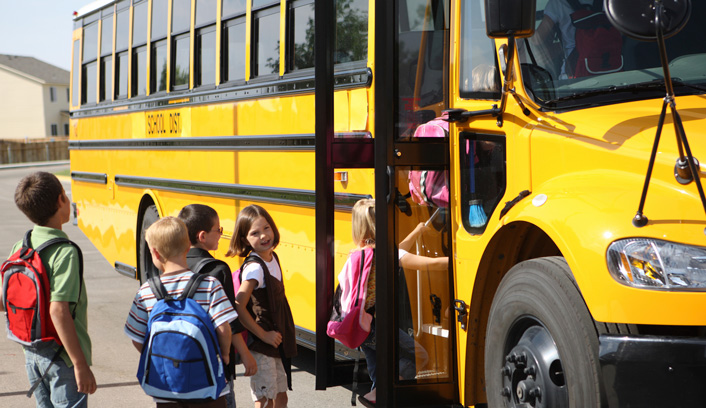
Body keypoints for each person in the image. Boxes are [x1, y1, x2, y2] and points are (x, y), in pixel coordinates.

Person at [343, 199, 447, 408]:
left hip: (360, 323)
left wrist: (417, 232)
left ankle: (377, 394)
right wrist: (459, 259)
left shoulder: (360, 253)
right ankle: (381, 392)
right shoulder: (387, 256)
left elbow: (398, 250)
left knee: (377, 369)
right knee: (420, 356)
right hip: (377, 325)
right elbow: (431, 264)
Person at [124, 216, 236, 408]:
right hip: (207, 386)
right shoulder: (210, 285)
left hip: (166, 387)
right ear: (187, 248)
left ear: (155, 254)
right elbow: (224, 329)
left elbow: (137, 337)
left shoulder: (146, 291)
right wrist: (224, 355)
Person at [6, 171, 97, 407]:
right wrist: (80, 364)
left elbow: (4, 299)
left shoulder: (21, 246)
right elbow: (58, 310)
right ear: (60, 201)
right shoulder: (65, 252)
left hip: (32, 354)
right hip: (62, 358)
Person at [178, 204, 258, 408]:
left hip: (181, 359)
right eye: (218, 230)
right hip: (215, 363)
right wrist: (245, 355)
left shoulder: (174, 265)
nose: (221, 234)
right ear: (202, 236)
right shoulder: (218, 270)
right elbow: (228, 322)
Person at [226, 205, 297, 408]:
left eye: (266, 228)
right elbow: (239, 306)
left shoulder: (272, 257)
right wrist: (263, 334)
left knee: (281, 395)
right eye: (255, 233)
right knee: (266, 400)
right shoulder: (255, 268)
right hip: (262, 344)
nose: (264, 235)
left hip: (276, 343)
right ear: (244, 240)